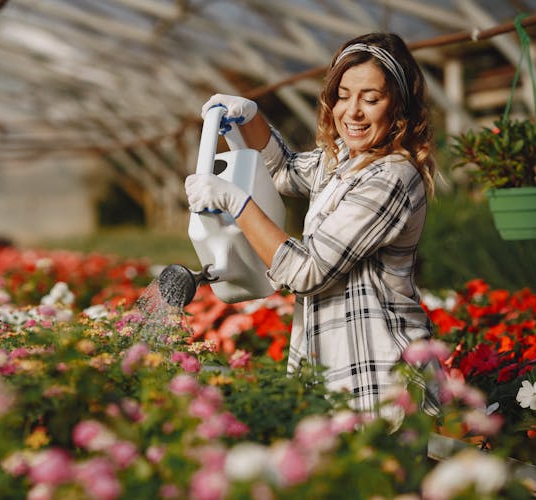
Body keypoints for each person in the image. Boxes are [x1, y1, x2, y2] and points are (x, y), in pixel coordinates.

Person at [186, 32, 439, 416]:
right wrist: (251, 119)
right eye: (342, 95)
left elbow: (308, 272)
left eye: (371, 99)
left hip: (381, 386)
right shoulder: (342, 159)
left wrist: (233, 201)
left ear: (398, 107)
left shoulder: (391, 178)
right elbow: (284, 172)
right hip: (335, 376)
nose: (352, 111)